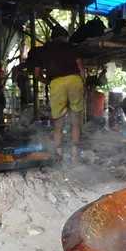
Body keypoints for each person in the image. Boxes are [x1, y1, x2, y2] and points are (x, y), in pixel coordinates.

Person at [32, 27, 85, 160]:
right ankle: (74, 157)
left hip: (56, 83)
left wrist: (49, 82)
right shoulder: (71, 46)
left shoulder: (43, 50)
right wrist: (83, 85)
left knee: (58, 123)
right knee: (76, 122)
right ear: (65, 36)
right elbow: (81, 69)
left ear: (52, 37)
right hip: (74, 80)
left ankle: (59, 156)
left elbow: (36, 75)